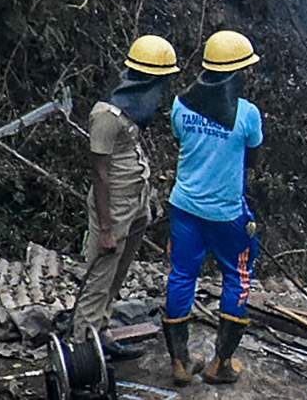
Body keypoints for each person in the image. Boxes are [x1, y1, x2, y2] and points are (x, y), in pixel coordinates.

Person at [162, 29, 263, 385]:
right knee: (237, 276)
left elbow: (182, 140)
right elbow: (251, 158)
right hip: (226, 215)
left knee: (182, 276)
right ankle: (221, 364)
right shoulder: (248, 115)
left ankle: (179, 362)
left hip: (184, 209)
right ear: (236, 73)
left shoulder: (180, 106)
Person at [72, 35, 179, 359]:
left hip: (135, 201)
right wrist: (105, 227)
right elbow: (100, 173)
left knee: (117, 274)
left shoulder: (131, 110)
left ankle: (100, 333)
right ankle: (82, 347)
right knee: (100, 274)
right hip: (114, 205)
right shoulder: (106, 115)